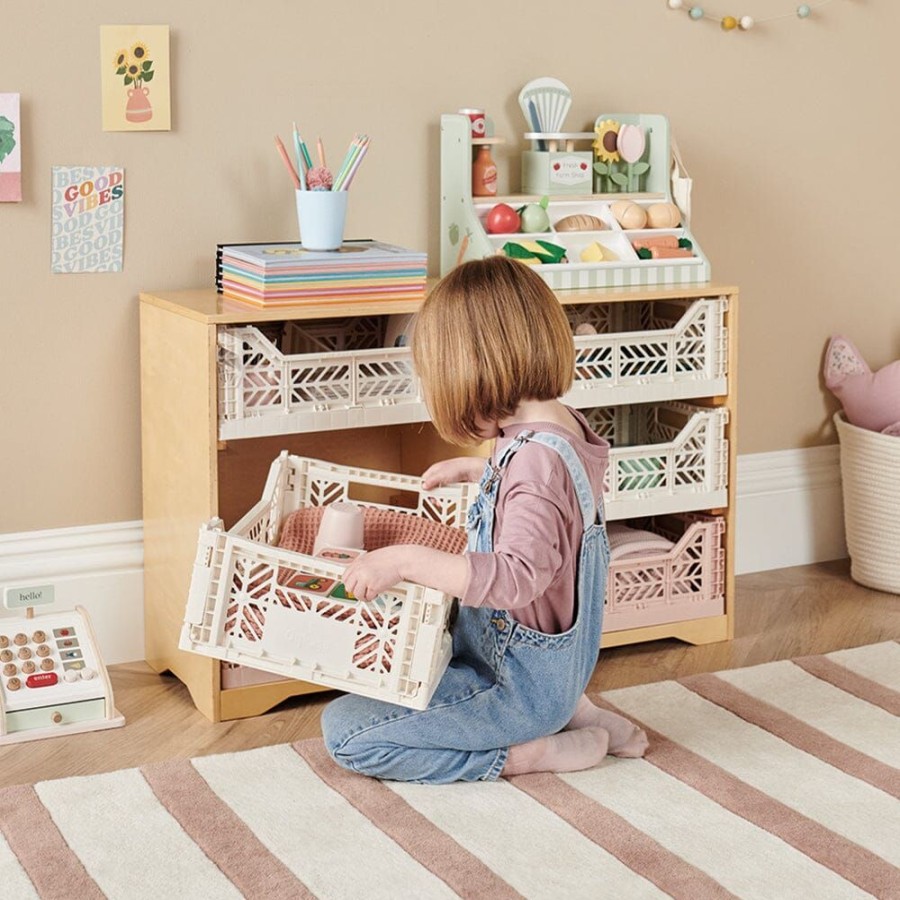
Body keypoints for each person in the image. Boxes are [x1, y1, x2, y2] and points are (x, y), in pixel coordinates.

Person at [320, 255, 647, 783]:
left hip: (510, 685)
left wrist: (405, 559)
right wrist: (481, 469)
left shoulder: (534, 464)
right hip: (555, 670)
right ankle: (574, 711)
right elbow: (553, 506)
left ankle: (532, 751)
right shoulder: (562, 430)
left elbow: (517, 577)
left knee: (347, 733)